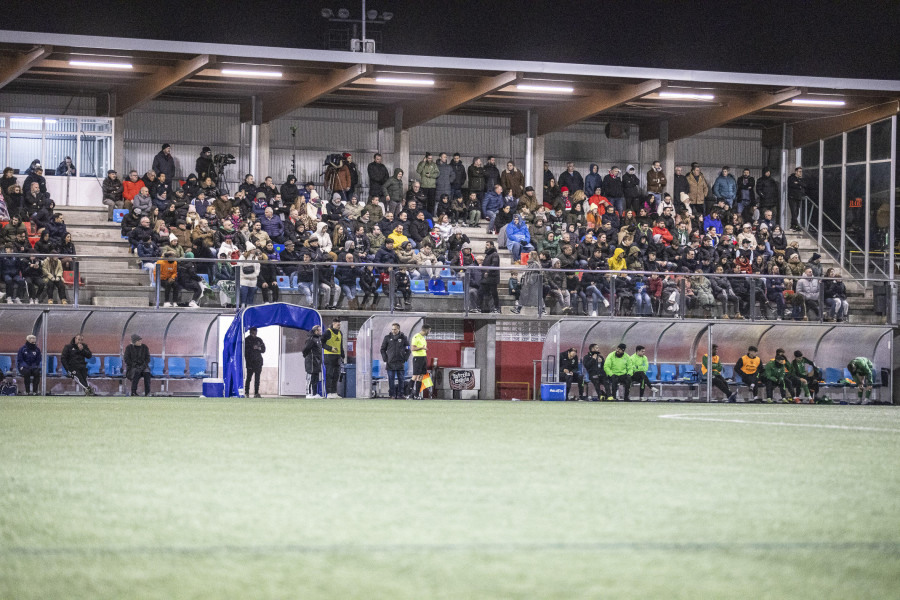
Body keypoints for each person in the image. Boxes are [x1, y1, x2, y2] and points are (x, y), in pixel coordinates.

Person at [381, 322, 411, 399]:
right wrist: (385, 359)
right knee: (391, 380)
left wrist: (405, 358)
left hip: (400, 362)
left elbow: (408, 349)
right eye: (392, 329)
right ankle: (392, 395)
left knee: (401, 379)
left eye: (395, 329)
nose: (393, 331)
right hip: (390, 363)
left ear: (398, 329)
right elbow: (382, 349)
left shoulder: (404, 338)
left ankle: (401, 394)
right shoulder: (387, 337)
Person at [322, 319, 344, 398]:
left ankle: (334, 392)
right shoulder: (328, 332)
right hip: (329, 356)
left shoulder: (340, 333)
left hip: (337, 356)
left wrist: (342, 356)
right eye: (338, 325)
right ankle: (329, 393)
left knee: (336, 375)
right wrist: (330, 348)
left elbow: (341, 345)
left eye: (340, 325)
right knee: (329, 375)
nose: (339, 327)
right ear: (333, 324)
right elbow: (321, 342)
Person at [410, 324, 431, 399]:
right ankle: (409, 394)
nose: (429, 332)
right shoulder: (416, 336)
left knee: (421, 376)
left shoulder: (423, 338)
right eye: (429, 331)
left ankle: (417, 395)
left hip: (423, 358)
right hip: (417, 358)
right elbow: (413, 348)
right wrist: (421, 347)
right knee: (415, 376)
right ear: (426, 330)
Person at [244, 327, 266, 398]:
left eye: (255, 332)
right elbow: (245, 352)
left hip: (258, 362)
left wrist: (258, 348)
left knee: (257, 378)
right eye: (253, 332)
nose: (254, 333)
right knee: (249, 378)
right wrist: (252, 348)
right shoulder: (247, 340)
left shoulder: (259, 340)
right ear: (250, 332)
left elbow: (263, 349)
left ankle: (256, 393)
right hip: (250, 362)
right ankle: (246, 392)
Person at [303, 325, 324, 398]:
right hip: (311, 361)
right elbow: (305, 350)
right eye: (320, 330)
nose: (321, 331)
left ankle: (315, 394)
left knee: (316, 378)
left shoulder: (319, 339)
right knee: (310, 377)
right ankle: (308, 393)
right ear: (316, 331)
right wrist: (307, 357)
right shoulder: (311, 339)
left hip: (317, 362)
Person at [786, 166, 805, 231]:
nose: (800, 173)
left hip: (798, 197)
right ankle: (796, 225)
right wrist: (799, 185)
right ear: (796, 172)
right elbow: (792, 185)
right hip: (792, 197)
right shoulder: (791, 178)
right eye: (799, 172)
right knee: (793, 212)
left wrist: (798, 183)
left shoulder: (800, 179)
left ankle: (792, 226)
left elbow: (804, 185)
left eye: (801, 172)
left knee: (796, 212)